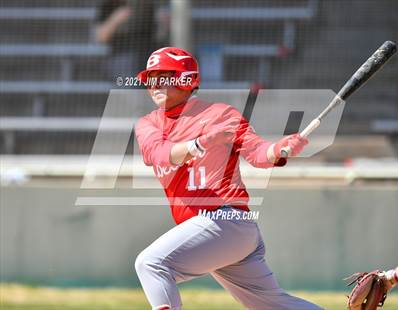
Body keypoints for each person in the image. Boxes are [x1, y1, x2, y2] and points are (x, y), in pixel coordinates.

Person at [134, 47, 322, 310]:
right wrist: (196, 144)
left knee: (151, 263)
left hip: (225, 221)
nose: (154, 84)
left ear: (186, 79)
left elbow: (258, 153)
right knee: (274, 306)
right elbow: (161, 154)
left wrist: (278, 149)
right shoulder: (148, 124)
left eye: (163, 76)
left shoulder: (221, 115)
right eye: (150, 78)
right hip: (216, 231)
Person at [95, 0, 155, 81]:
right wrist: (115, 19)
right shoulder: (110, 4)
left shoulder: (146, 4)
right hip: (122, 57)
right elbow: (101, 37)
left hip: (149, 57)